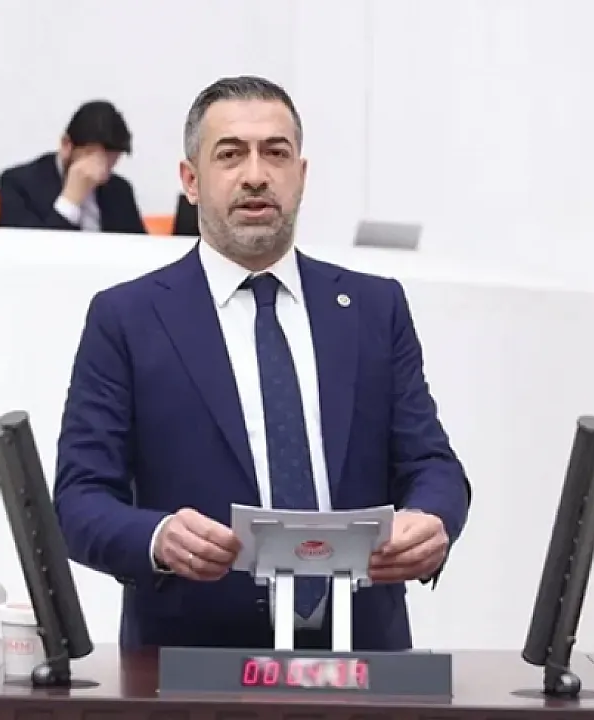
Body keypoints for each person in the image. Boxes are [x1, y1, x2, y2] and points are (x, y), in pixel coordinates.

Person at [53, 76, 471, 651]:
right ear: (191, 181)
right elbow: (80, 498)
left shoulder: (375, 309)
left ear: (301, 175)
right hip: (191, 664)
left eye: (275, 153)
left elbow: (432, 463)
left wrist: (432, 518)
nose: (255, 175)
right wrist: (158, 537)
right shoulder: (127, 318)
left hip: (364, 659)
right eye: (230, 155)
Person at [0, 100, 146, 234]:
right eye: (91, 156)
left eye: (112, 161)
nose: (101, 171)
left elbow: (140, 248)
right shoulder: (18, 184)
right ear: (66, 145)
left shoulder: (120, 190)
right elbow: (25, 251)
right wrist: (70, 200)